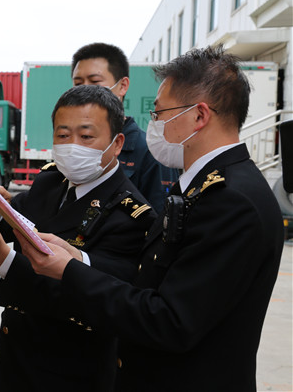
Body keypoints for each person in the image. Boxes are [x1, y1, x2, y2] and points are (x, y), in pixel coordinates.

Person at [15, 46, 285, 392]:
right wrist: (77, 261)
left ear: (199, 116)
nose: (153, 124)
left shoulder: (231, 201)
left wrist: (69, 270)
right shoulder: (204, 186)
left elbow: (170, 320)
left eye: (159, 113)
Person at [0, 85, 156, 391]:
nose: (72, 146)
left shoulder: (132, 216)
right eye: (63, 135)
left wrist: (2, 258)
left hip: (70, 372)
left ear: (117, 143)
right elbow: (20, 220)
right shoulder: (51, 180)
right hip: (13, 362)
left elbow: (87, 296)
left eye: (86, 137)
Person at [71, 42, 178, 212]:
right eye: (78, 84)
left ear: (122, 86)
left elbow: (158, 220)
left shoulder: (151, 152)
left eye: (95, 82)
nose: (84, 91)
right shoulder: (73, 147)